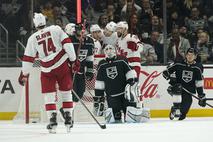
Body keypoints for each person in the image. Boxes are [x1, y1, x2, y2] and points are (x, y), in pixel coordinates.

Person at [18, 13, 76, 133]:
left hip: (46, 69)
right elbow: (68, 44)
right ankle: (68, 118)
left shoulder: (32, 38)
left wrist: (24, 74)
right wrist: (73, 60)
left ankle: (52, 120)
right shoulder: (56, 28)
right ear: (45, 20)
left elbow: (28, 59)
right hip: (62, 65)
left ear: (35, 25)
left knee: (49, 95)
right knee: (66, 92)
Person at [94, 44, 150, 123]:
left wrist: (132, 81)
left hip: (125, 95)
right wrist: (99, 96)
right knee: (116, 120)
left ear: (115, 50)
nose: (108, 50)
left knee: (130, 119)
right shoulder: (101, 64)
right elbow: (99, 81)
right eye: (106, 49)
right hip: (112, 97)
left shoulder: (122, 59)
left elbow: (130, 71)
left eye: (110, 48)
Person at [162, 48, 206, 121]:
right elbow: (165, 72)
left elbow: (199, 83)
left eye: (192, 55)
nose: (190, 56)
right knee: (178, 88)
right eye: (188, 54)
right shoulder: (178, 64)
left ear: (195, 56)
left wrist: (201, 95)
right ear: (185, 55)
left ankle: (175, 110)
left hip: (188, 90)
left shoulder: (198, 67)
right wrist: (170, 77)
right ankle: (176, 107)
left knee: (182, 115)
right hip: (175, 88)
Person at [65, 23, 95, 102]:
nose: (83, 32)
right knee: (72, 95)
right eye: (80, 30)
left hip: (81, 72)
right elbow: (64, 57)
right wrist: (69, 65)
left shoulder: (90, 41)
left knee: (80, 94)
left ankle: (68, 110)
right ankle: (68, 111)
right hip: (70, 73)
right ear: (76, 31)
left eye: (84, 31)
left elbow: (89, 57)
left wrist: (89, 71)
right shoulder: (69, 40)